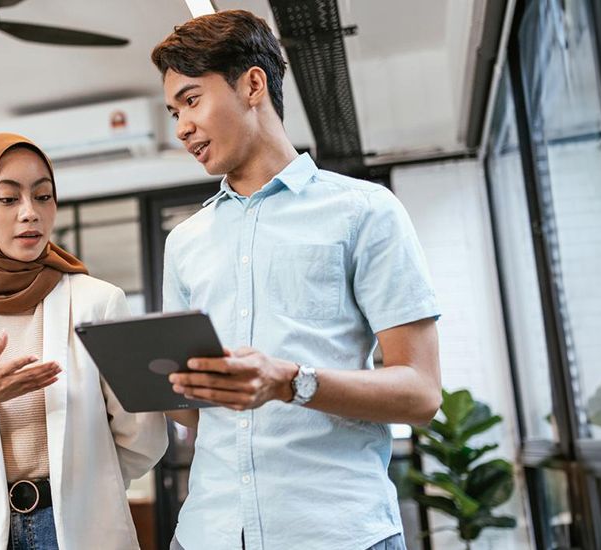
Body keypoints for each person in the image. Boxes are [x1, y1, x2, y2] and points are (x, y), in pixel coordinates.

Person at [151, 10, 442, 550]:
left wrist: (288, 382)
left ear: (253, 84)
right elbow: (189, 413)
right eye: (173, 112)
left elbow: (420, 392)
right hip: (207, 535)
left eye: (191, 100)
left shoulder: (364, 211)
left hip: (337, 533)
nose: (181, 128)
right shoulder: (183, 242)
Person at [0, 133, 168, 550]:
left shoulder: (97, 302)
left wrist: (85, 487)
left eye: (43, 197)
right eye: (8, 199)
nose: (30, 213)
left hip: (80, 530)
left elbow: (144, 437)